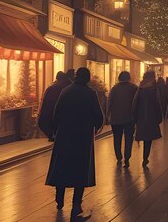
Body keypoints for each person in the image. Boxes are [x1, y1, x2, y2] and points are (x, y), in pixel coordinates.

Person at [46, 68, 104, 218]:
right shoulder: (90, 94)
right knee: (80, 169)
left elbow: (55, 115)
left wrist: (56, 131)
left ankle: (59, 199)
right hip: (82, 137)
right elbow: (99, 117)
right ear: (88, 79)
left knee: (62, 166)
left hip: (64, 135)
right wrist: (96, 128)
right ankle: (76, 205)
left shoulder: (65, 91)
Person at [132, 71, 163, 167]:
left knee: (144, 136)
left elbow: (135, 103)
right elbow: (158, 103)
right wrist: (159, 116)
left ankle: (144, 158)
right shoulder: (154, 89)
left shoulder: (140, 88)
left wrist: (134, 117)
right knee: (148, 139)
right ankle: (145, 158)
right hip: (152, 116)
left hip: (141, 116)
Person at [107, 71, 138, 168]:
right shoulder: (133, 88)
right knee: (129, 138)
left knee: (117, 138)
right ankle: (127, 158)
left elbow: (109, 102)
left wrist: (107, 115)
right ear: (129, 78)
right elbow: (137, 103)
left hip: (116, 118)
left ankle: (119, 156)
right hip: (129, 118)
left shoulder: (114, 89)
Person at [37, 71, 71, 141]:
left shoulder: (50, 89)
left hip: (50, 115)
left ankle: (52, 136)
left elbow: (44, 105)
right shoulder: (66, 89)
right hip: (62, 120)